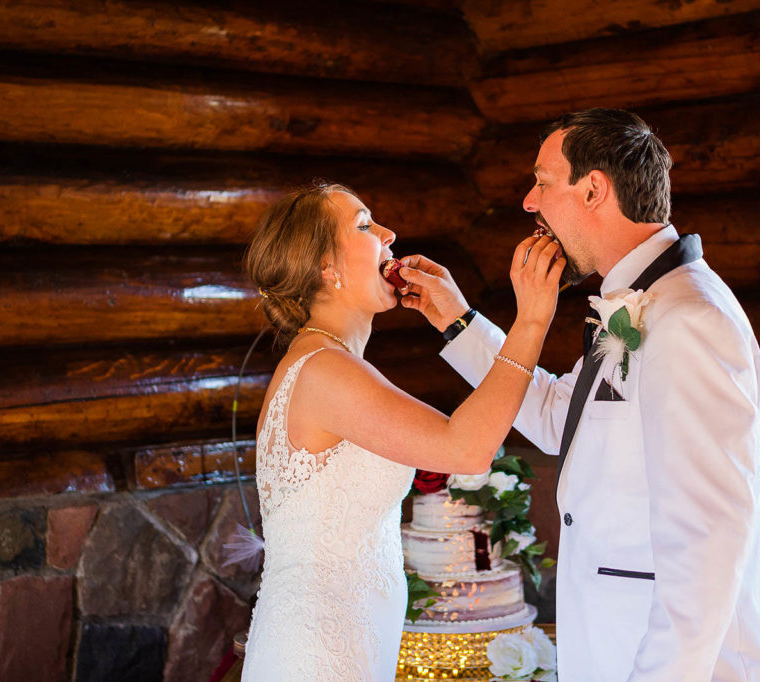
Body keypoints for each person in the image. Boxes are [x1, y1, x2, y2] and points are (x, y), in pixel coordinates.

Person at [399, 109, 760, 680]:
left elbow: (709, 544)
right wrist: (457, 320)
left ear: (593, 190)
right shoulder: (636, 301)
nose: (529, 203)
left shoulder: (688, 320)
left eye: (542, 182)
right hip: (611, 644)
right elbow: (562, 416)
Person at [237, 181, 564, 681]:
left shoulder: (327, 361)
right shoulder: (325, 370)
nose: (389, 233)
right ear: (326, 266)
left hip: (349, 644)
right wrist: (533, 320)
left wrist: (457, 319)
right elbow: (467, 447)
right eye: (366, 225)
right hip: (318, 656)